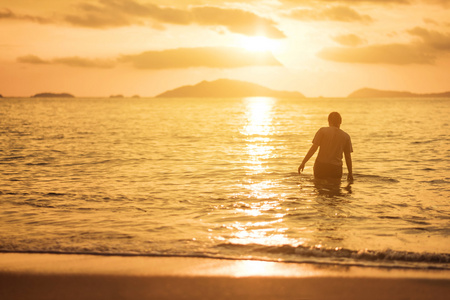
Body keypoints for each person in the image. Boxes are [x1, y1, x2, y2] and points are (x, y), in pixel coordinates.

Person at [298, 112, 353, 182]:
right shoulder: (346, 136)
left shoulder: (322, 131)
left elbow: (313, 148)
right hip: (335, 168)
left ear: (329, 121)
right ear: (340, 121)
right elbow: (347, 156)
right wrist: (350, 173)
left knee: (319, 189)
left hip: (321, 166)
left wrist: (303, 162)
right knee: (335, 190)